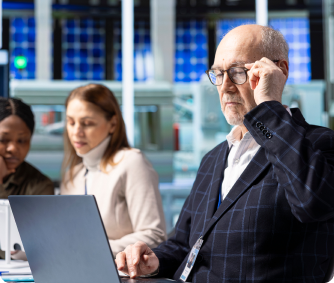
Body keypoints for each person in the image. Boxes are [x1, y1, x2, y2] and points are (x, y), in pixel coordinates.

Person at [115, 24, 334, 283]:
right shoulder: (214, 158)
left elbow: (312, 204)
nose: (225, 86)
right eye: (218, 74)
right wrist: (153, 261)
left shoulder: (319, 143)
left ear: (279, 72)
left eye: (239, 72)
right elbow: (185, 243)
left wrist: (268, 107)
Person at [60, 84, 167, 256]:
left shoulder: (131, 162)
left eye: (87, 123)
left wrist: (91, 249)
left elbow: (154, 235)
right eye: (71, 122)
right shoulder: (73, 175)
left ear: (113, 124)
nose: (76, 132)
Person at [0, 97, 54, 260]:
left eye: (22, 140)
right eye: (3, 140)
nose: (13, 148)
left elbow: (20, 247)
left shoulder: (40, 186)